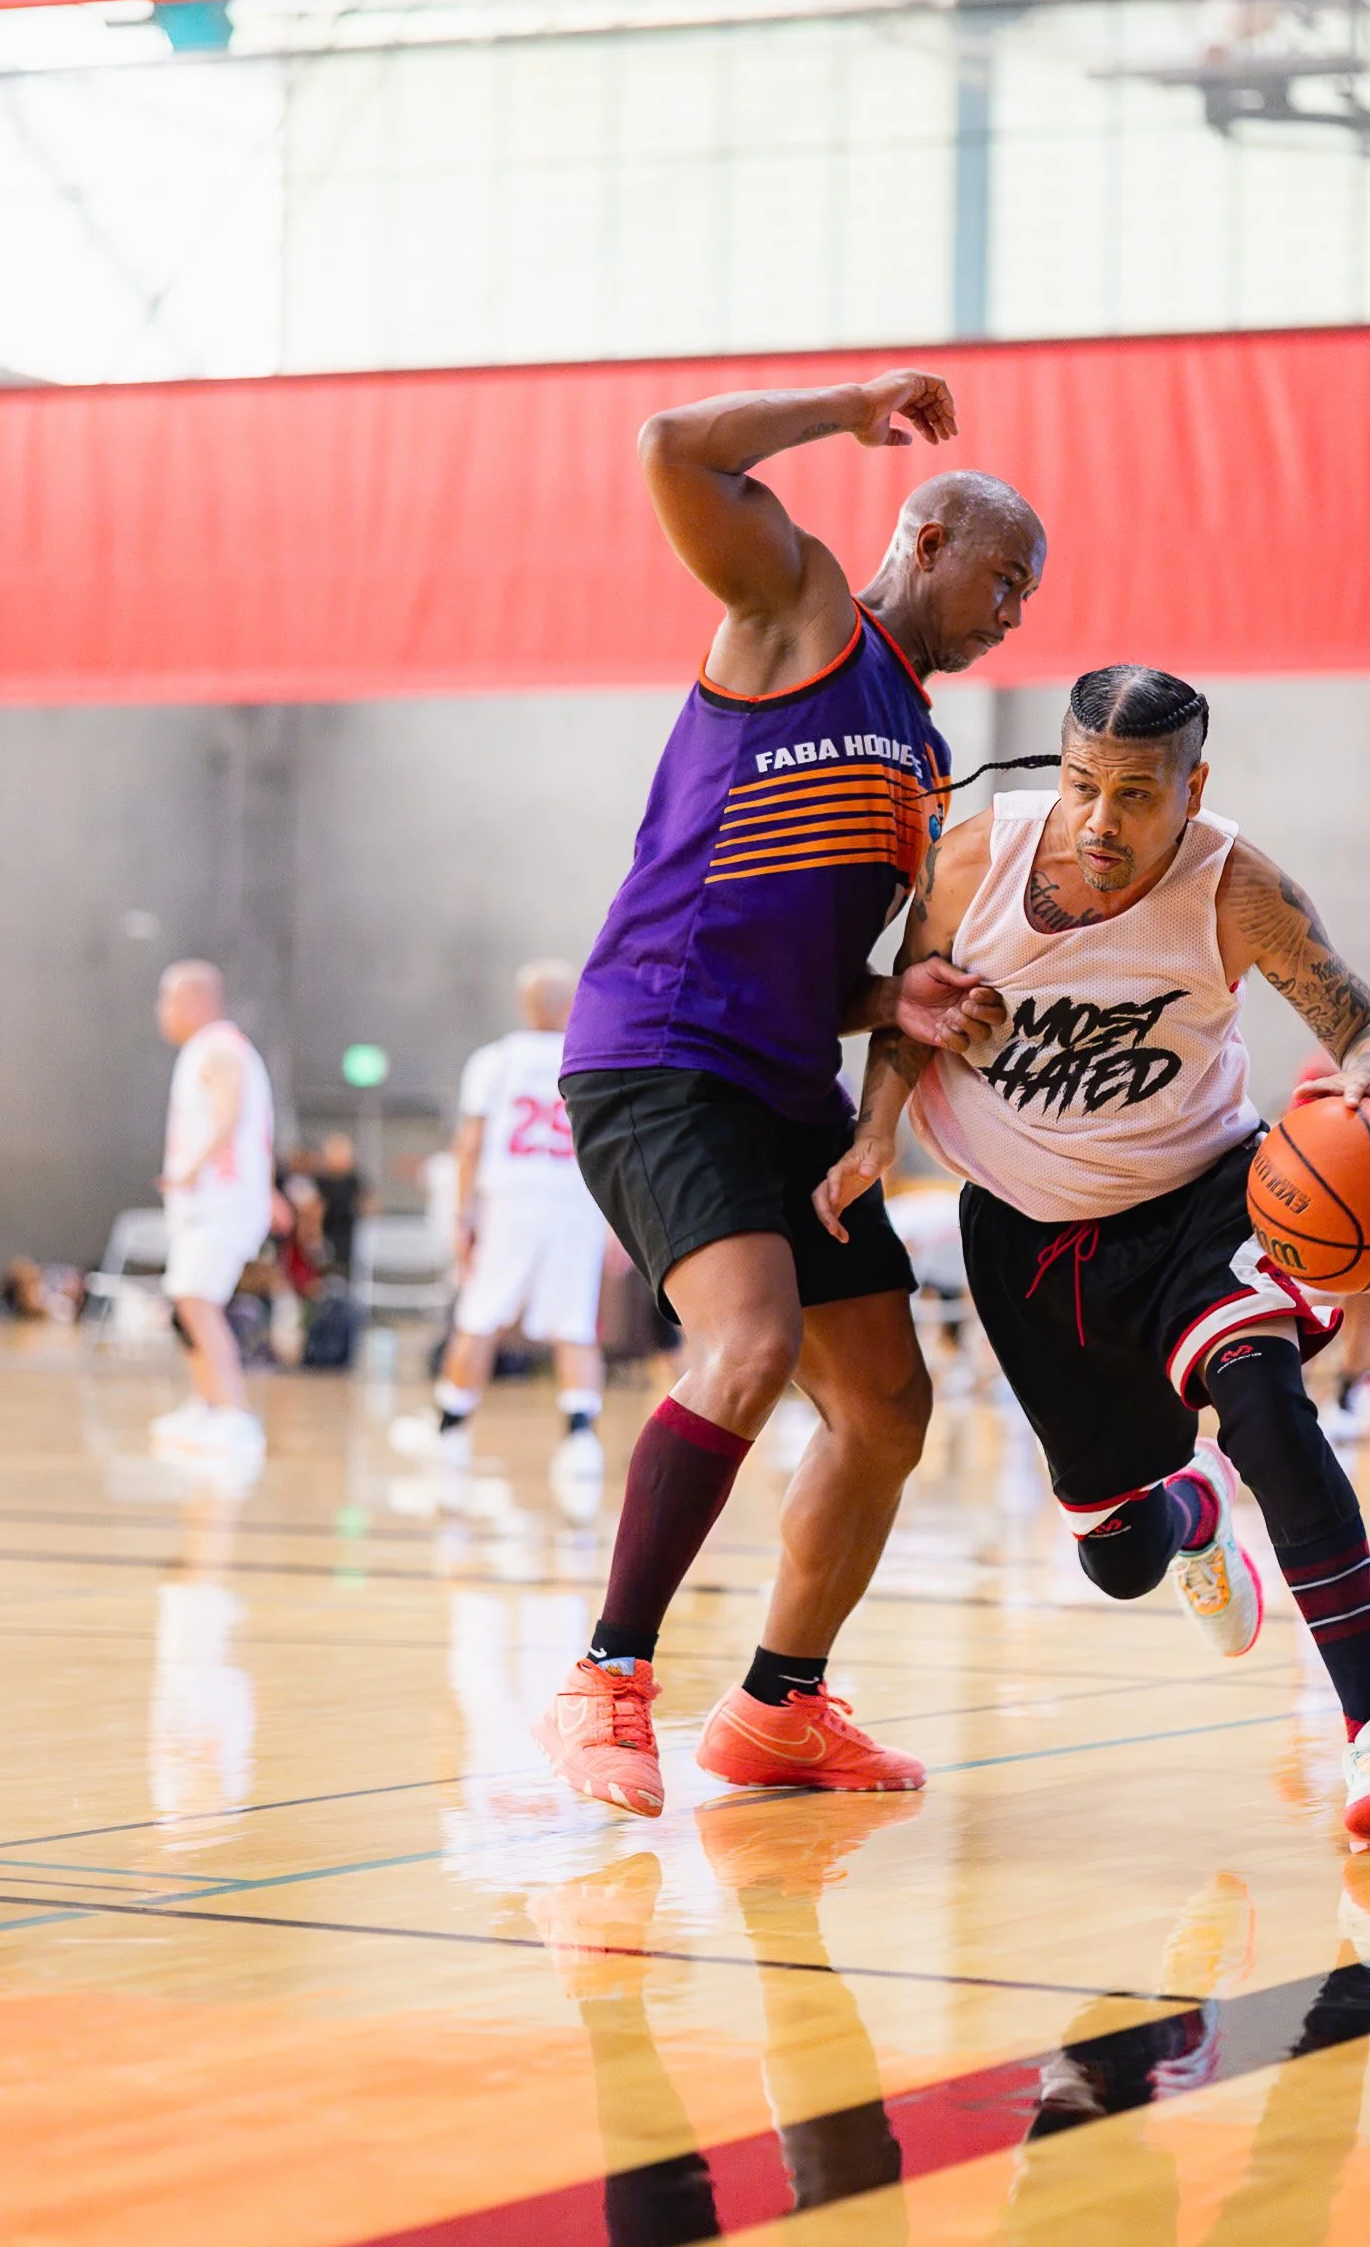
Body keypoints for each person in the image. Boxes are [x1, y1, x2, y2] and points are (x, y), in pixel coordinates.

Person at [815, 665, 1370, 1846]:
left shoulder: (1235, 887)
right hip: (1026, 1236)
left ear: (1191, 789)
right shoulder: (972, 861)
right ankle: (1191, 1512)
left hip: (1200, 1204)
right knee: (1116, 1555)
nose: (1103, 821)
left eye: (1138, 794)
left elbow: (1364, 1020)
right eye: (1085, 785)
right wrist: (873, 1132)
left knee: (1267, 1409)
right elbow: (908, 1008)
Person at [538, 368, 1046, 1817]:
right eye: (1003, 578)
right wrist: (849, 406)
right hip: (659, 1055)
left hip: (783, 1082)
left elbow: (806, 951)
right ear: (930, 538)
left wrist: (893, 999)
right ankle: (606, 1676)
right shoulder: (802, 611)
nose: (1013, 614)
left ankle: (776, 1705)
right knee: (750, 1348)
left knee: (888, 1407)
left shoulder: (923, 757)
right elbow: (669, 450)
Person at [394, 960, 609, 1460]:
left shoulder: (496, 1061)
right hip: (575, 1204)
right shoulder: (594, 1059)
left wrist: (462, 1215)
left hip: (512, 1201)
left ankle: (450, 1426)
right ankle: (580, 1441)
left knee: (480, 1314)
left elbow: (470, 1145)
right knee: (574, 1322)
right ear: (570, 1004)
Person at [148, 960, 274, 1476]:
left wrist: (191, 1171)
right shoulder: (207, 1049)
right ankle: (207, 1405)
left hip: (219, 1201)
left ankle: (236, 1414)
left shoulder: (220, 1048)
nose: (161, 1011)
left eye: (167, 999)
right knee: (188, 1302)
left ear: (196, 1001)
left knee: (198, 1302)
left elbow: (231, 1113)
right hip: (209, 1203)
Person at [311, 1131, 370, 1276]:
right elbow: (316, 1208)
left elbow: (367, 1203)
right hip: (327, 1228)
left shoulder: (354, 1179)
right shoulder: (320, 1180)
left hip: (348, 1230)